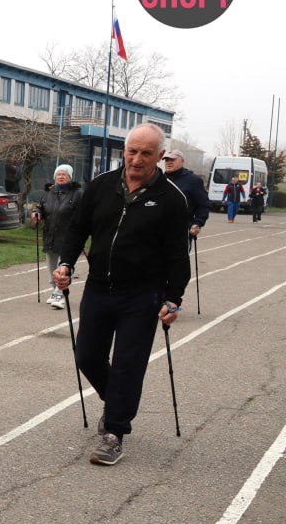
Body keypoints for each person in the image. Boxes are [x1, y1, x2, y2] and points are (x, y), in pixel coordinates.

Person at [53, 123, 190, 466]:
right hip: (99, 288)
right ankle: (116, 402)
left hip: (142, 295)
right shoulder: (101, 187)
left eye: (146, 153)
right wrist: (66, 263)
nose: (137, 159)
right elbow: (77, 230)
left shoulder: (171, 199)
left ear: (160, 156)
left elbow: (177, 254)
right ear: (124, 151)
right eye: (132, 151)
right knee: (87, 356)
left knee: (129, 365)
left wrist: (174, 298)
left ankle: (114, 432)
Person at [31, 164, 82, 309]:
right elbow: (40, 207)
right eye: (58, 174)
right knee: (51, 266)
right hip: (50, 235)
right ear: (54, 177)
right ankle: (55, 289)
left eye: (64, 174)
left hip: (68, 236)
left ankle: (60, 293)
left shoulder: (77, 193)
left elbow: (83, 212)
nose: (61, 176)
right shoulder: (48, 193)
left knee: (63, 266)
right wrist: (37, 212)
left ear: (70, 177)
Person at [160, 149, 209, 242]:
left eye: (172, 160)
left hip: (181, 231)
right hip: (159, 230)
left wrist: (197, 223)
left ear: (182, 161)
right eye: (167, 160)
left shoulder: (193, 180)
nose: (169, 162)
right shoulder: (160, 179)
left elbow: (204, 205)